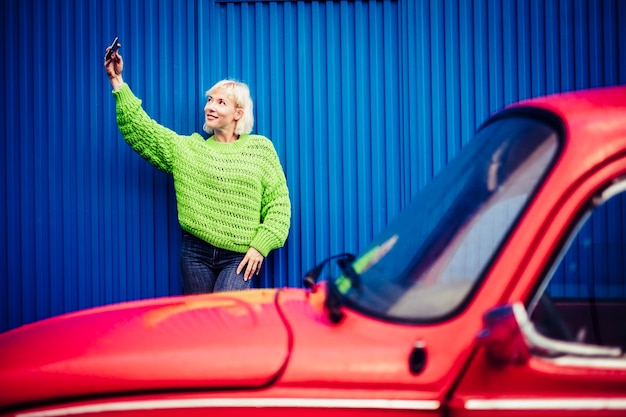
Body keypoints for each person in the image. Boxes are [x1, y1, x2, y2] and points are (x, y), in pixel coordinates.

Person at [103, 41, 291, 294]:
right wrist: (117, 80)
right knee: (201, 325)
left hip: (239, 255)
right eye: (210, 100)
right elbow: (140, 129)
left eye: (220, 102)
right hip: (195, 254)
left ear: (238, 113)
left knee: (225, 321)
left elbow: (278, 205)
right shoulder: (189, 150)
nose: (210, 106)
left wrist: (260, 246)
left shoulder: (260, 149)